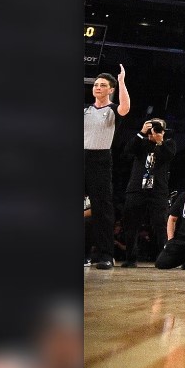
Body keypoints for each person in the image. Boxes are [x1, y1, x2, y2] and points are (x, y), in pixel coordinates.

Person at [82, 65, 130, 269]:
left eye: (102, 85)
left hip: (100, 159)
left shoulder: (112, 110)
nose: (98, 87)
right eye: (96, 84)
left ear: (110, 89)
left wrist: (121, 81)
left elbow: (125, 108)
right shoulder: (86, 109)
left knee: (102, 209)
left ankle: (105, 256)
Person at [119, 117, 174, 267]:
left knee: (160, 225)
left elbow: (168, 156)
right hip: (137, 189)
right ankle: (131, 259)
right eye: (152, 127)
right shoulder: (140, 142)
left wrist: (160, 141)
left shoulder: (168, 144)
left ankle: (164, 259)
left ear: (164, 131)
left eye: (158, 128)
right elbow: (127, 151)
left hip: (158, 191)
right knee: (131, 224)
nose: (154, 130)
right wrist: (141, 133)